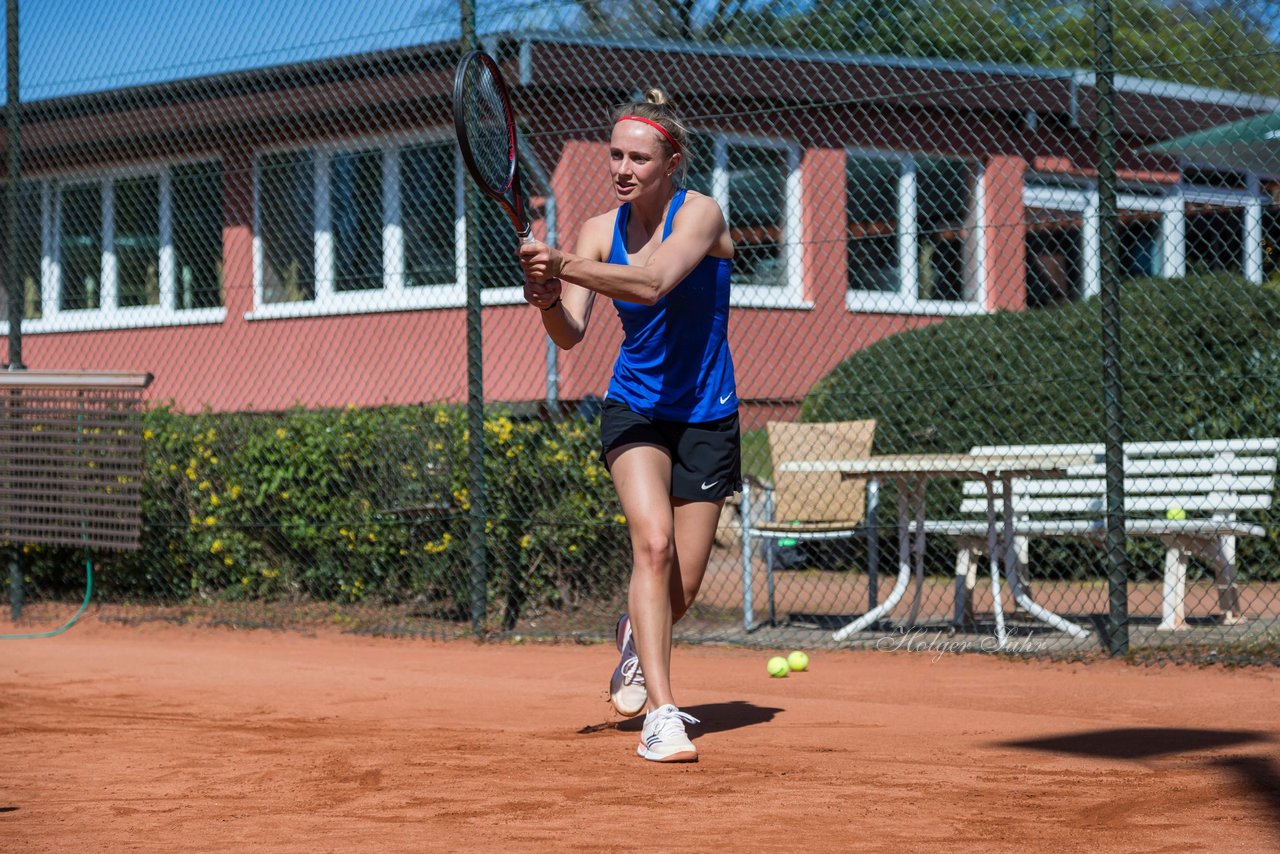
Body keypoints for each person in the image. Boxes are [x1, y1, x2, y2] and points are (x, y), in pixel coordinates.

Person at [517, 89, 739, 764]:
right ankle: (662, 714)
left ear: (671, 161)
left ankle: (632, 634)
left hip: (708, 413)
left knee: (686, 587)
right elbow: (570, 335)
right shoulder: (593, 230)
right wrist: (549, 298)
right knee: (653, 546)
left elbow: (650, 283)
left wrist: (561, 265)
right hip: (635, 408)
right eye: (614, 153)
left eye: (638, 157)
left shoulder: (699, 213)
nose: (623, 167)